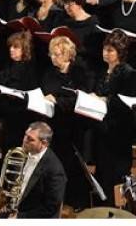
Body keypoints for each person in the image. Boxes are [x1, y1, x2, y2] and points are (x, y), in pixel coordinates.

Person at [41, 36, 94, 210]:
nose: (52, 58)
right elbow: (48, 91)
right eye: (51, 54)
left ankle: (79, 200)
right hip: (56, 123)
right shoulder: (49, 72)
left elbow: (81, 97)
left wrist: (57, 100)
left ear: (68, 55)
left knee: (76, 164)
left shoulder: (80, 72)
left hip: (76, 124)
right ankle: (58, 197)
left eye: (56, 55)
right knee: (57, 163)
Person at [93, 31, 136, 205]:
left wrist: (103, 99)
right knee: (102, 169)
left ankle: (118, 208)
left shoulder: (128, 73)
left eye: (110, 50)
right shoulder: (103, 70)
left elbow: (125, 102)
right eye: (104, 49)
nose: (105, 53)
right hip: (103, 128)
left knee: (116, 173)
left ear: (120, 52)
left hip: (119, 130)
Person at [12, 122, 66, 219]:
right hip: (17, 209)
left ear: (44, 143)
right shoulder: (21, 154)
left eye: (30, 139)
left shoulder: (55, 170)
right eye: (25, 135)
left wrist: (20, 217)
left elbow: (50, 208)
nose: (25, 140)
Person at [61, 0, 102, 71]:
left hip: (85, 69)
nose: (66, 7)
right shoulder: (66, 23)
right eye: (65, 4)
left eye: (70, 4)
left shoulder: (93, 24)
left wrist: (76, 48)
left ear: (79, 3)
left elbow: (96, 53)